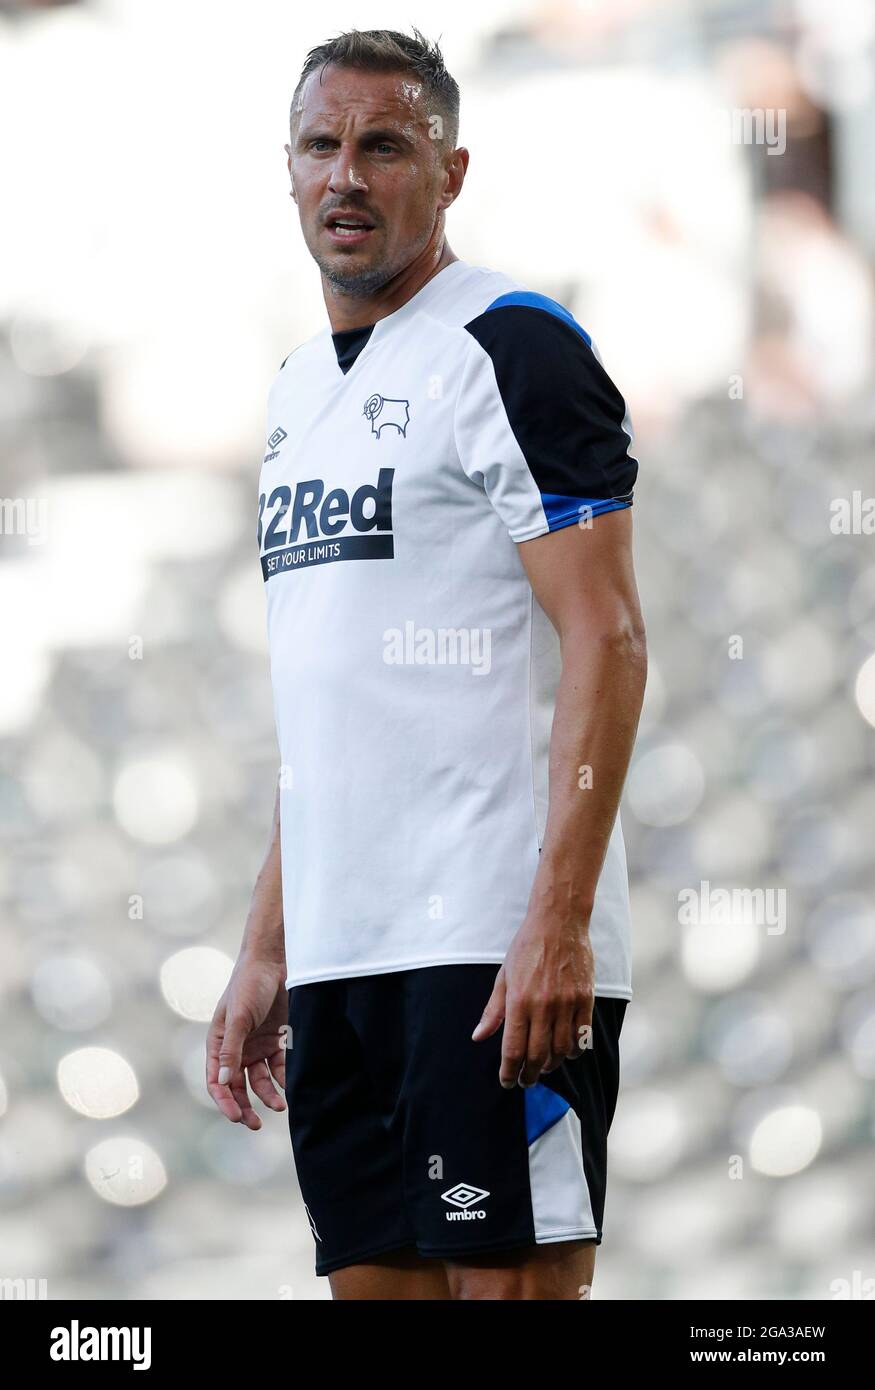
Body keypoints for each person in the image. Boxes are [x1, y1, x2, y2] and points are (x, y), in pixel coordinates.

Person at [206, 26, 647, 1301]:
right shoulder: (293, 396)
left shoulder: (513, 344)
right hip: (344, 957)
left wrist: (555, 921)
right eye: (320, 145)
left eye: (384, 145)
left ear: (448, 173)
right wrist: (267, 947)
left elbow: (607, 637)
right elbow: (332, 705)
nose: (346, 174)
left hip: (490, 946)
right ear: (286, 170)